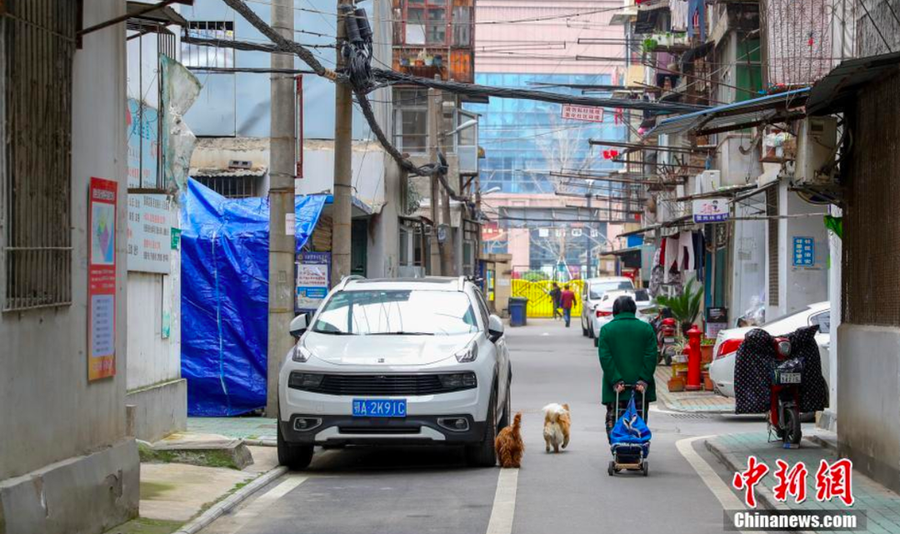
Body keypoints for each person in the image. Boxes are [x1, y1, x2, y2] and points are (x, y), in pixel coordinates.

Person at [597, 295, 658, 439]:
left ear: (615, 311)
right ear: (634, 310)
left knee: (614, 417)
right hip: (640, 388)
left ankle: (617, 445)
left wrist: (616, 380)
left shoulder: (606, 330)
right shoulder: (646, 329)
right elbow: (651, 356)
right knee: (639, 418)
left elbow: (605, 358)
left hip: (616, 387)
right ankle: (637, 446)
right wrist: (643, 379)